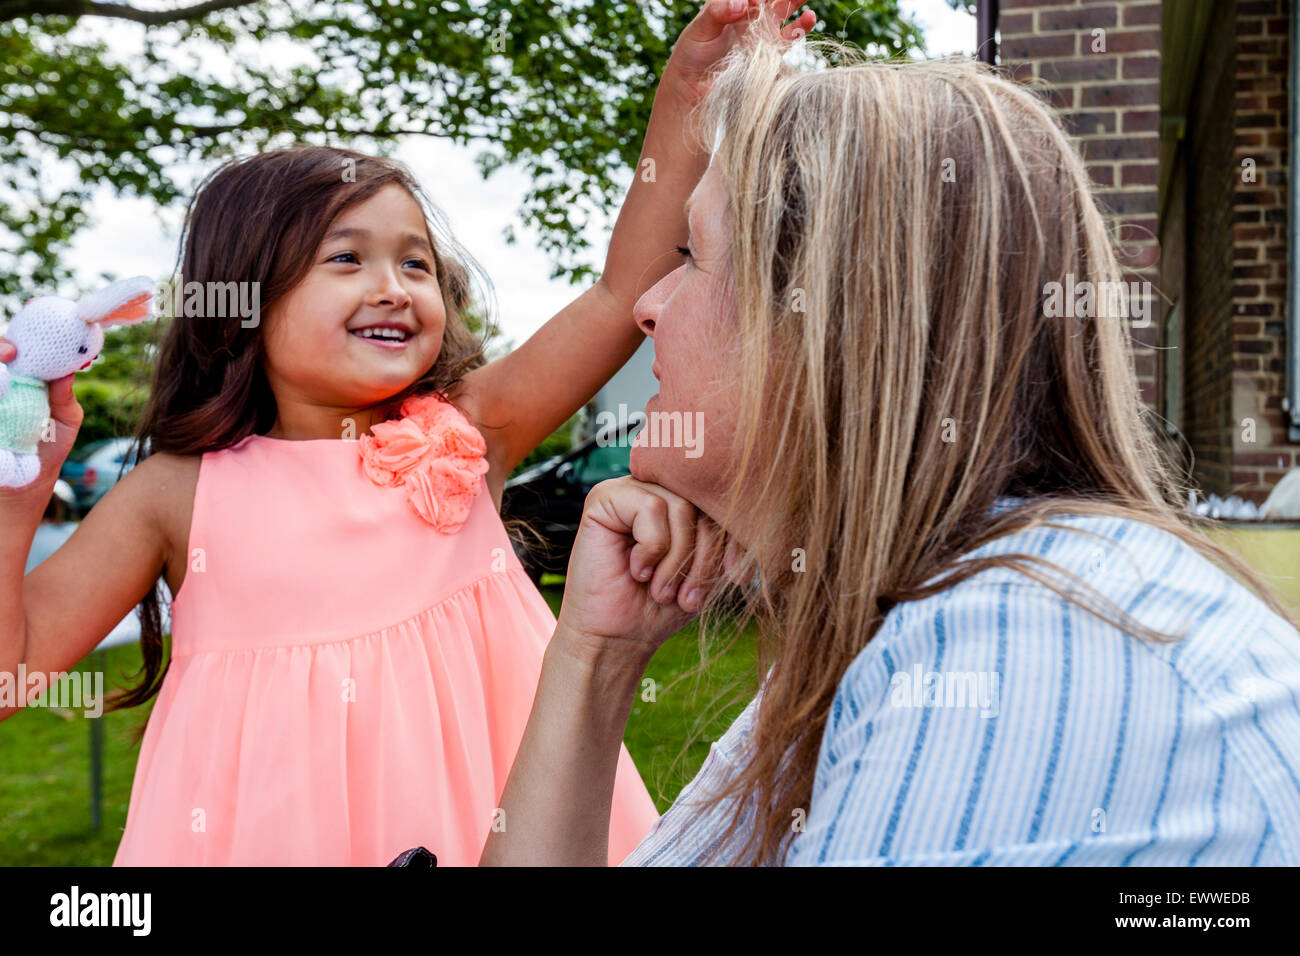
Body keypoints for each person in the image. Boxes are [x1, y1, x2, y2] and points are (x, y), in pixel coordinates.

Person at [0, 0, 819, 867]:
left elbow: (621, 294)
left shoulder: (470, 427)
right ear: (245, 298)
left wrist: (689, 91)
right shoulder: (171, 496)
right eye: (346, 258)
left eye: (415, 262)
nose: (393, 286)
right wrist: (19, 495)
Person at [477, 19, 1300, 866]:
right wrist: (596, 661)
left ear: (832, 322)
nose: (648, 307)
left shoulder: (1015, 650)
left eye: (693, 254)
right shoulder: (913, 625)